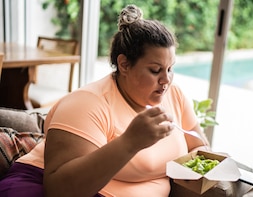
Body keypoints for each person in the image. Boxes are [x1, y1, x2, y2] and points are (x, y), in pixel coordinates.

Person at [0, 4, 210, 197]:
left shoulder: (175, 96)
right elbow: (59, 189)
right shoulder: (87, 103)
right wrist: (130, 142)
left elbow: (199, 146)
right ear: (124, 65)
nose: (166, 80)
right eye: (155, 70)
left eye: (170, 68)